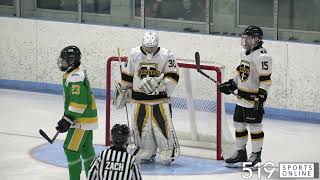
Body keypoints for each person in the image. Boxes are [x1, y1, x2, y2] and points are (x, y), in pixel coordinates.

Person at [114, 31, 180, 165]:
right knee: (140, 127)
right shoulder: (134, 54)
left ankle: (168, 150)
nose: (149, 50)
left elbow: (173, 75)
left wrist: (159, 85)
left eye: (152, 47)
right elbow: (127, 75)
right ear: (142, 44)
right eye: (147, 47)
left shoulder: (167, 55)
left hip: (159, 101)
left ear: (157, 45)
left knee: (162, 127)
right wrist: (124, 90)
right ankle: (145, 150)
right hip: (138, 100)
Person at [219, 25, 272, 168]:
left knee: (255, 127)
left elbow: (266, 80)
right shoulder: (245, 53)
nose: (246, 40)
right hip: (241, 98)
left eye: (249, 38)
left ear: (258, 39)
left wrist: (261, 96)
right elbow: (241, 72)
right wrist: (231, 84)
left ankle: (256, 155)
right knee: (239, 125)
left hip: (253, 99)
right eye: (245, 37)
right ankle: (241, 153)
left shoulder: (263, 56)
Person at [56, 45, 98, 180]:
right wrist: (67, 118)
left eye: (64, 60)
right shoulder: (76, 73)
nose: (62, 63)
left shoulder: (75, 77)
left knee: (70, 149)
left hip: (81, 120)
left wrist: (68, 118)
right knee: (86, 150)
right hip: (86, 118)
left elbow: (79, 102)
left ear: (71, 61)